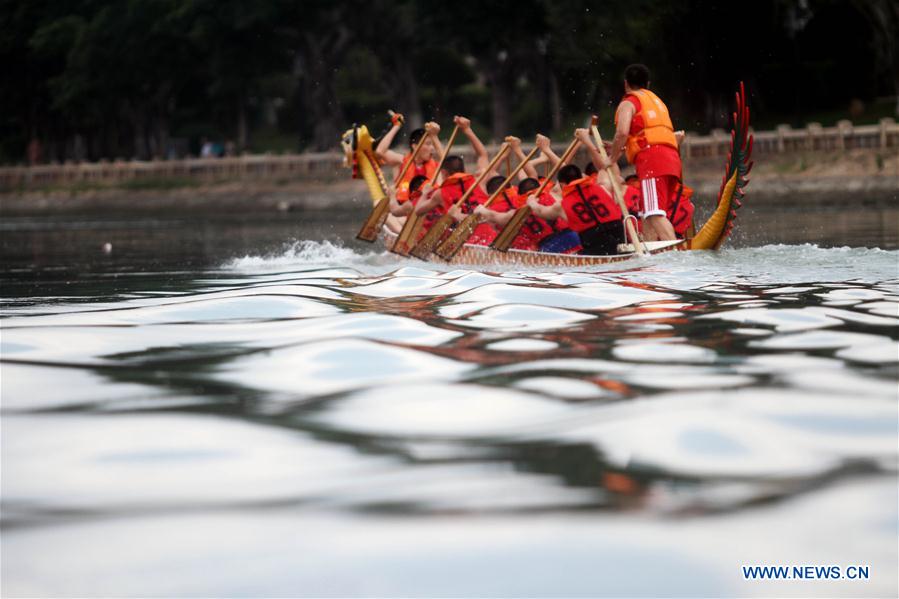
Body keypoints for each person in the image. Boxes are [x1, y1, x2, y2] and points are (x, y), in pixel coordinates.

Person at [602, 64, 682, 241]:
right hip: (672, 159)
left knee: (654, 213)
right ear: (648, 84)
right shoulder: (657, 101)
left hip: (653, 161)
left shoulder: (629, 102)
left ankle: (677, 255)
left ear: (626, 84)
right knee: (648, 211)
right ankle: (649, 254)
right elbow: (642, 135)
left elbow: (622, 132)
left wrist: (612, 158)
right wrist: (621, 147)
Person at [413, 116, 499, 245]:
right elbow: (483, 154)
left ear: (443, 173)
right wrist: (467, 129)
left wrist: (425, 193)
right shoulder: (479, 180)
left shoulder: (440, 194)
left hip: (465, 247)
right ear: (463, 169)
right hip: (491, 242)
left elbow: (418, 211)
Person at [526, 163, 625, 255]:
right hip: (618, 230)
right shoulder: (603, 188)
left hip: (593, 238)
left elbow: (540, 211)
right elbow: (617, 177)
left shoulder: (561, 205)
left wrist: (531, 201)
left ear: (562, 184)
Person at [375, 113, 443, 202]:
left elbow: (445, 159)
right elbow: (380, 151)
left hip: (428, 210)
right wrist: (396, 126)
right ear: (415, 146)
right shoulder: (400, 161)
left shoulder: (435, 165)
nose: (432, 148)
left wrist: (434, 136)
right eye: (428, 144)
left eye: (432, 144)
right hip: (403, 209)